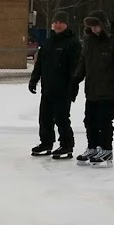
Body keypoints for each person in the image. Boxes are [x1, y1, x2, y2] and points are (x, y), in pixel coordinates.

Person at [72, 11, 114, 165]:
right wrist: (76, 79)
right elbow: (83, 61)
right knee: (89, 120)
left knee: (104, 121)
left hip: (110, 90)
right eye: (91, 27)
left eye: (96, 26)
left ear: (103, 25)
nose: (93, 30)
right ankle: (92, 147)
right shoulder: (89, 41)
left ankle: (106, 149)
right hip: (92, 89)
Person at [28, 11, 82, 159]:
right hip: (47, 88)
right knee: (44, 118)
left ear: (66, 24)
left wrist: (73, 88)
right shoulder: (49, 42)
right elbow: (40, 64)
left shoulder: (73, 43)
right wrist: (34, 79)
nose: (57, 25)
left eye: (61, 22)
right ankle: (46, 143)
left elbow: (75, 69)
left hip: (63, 89)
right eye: (55, 22)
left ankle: (66, 145)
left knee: (62, 118)